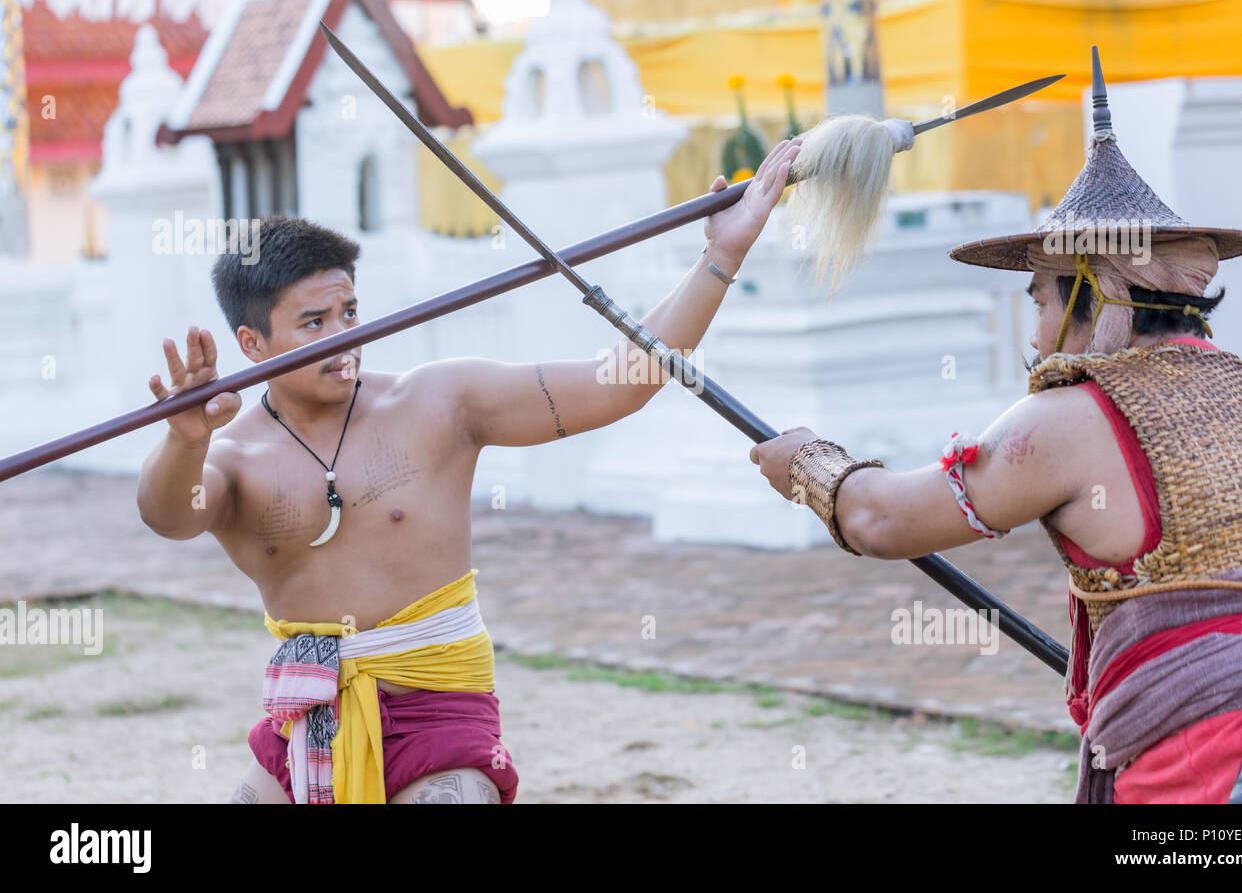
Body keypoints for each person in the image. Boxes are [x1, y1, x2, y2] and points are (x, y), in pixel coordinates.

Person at [136, 138, 803, 804]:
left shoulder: (438, 403)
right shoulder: (230, 458)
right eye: (313, 324)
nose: (344, 339)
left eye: (349, 312)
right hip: (307, 718)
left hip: (439, 711)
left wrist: (722, 255)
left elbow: (616, 384)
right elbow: (169, 517)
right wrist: (184, 437)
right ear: (252, 344)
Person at [750, 50, 1242, 803]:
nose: (1038, 336)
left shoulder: (1070, 419)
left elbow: (879, 518)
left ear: (1096, 292)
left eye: (1041, 300)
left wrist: (805, 462)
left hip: (1201, 783)